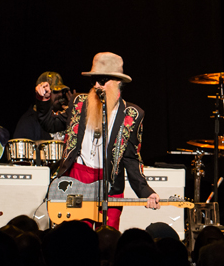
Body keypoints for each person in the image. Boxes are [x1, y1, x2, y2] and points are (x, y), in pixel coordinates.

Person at [36, 52, 159, 229]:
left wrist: (146, 192)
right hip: (77, 178)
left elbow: (131, 158)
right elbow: (51, 124)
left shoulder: (132, 114)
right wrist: (44, 100)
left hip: (110, 185)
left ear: (118, 82)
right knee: (79, 237)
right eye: (93, 80)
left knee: (107, 239)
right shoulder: (79, 103)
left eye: (101, 80)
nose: (96, 86)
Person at [14, 71, 71, 142]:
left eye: (62, 91)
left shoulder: (63, 115)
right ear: (43, 92)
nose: (60, 95)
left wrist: (73, 109)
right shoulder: (28, 122)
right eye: (55, 91)